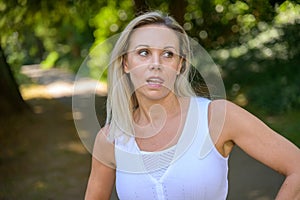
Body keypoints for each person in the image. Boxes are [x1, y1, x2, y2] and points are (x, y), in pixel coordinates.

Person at [84, 11, 300, 200]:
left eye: (168, 54)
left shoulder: (217, 117)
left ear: (180, 65)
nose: (156, 65)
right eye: (144, 53)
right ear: (125, 63)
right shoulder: (111, 140)